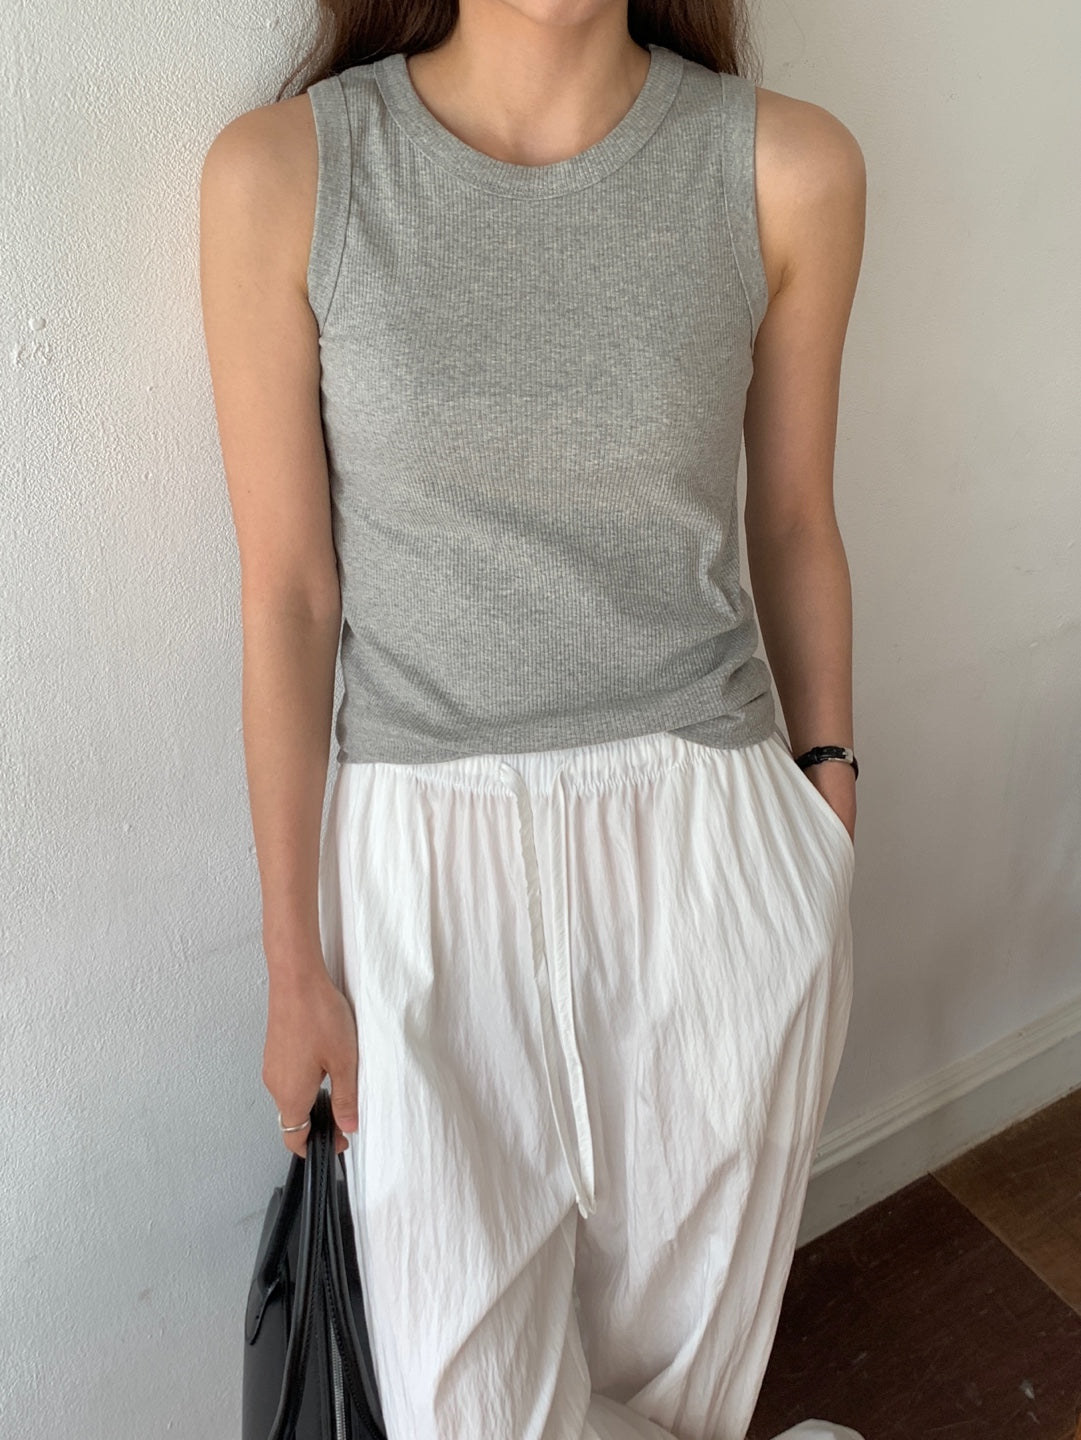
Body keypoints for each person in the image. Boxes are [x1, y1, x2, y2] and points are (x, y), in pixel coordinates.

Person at [199, 2, 867, 1437]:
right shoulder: (286, 175)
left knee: (684, 1392)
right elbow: (289, 598)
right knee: (471, 1410)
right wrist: (291, 959)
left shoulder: (783, 166)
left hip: (712, 849)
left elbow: (795, 519)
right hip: (424, 870)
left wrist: (825, 802)